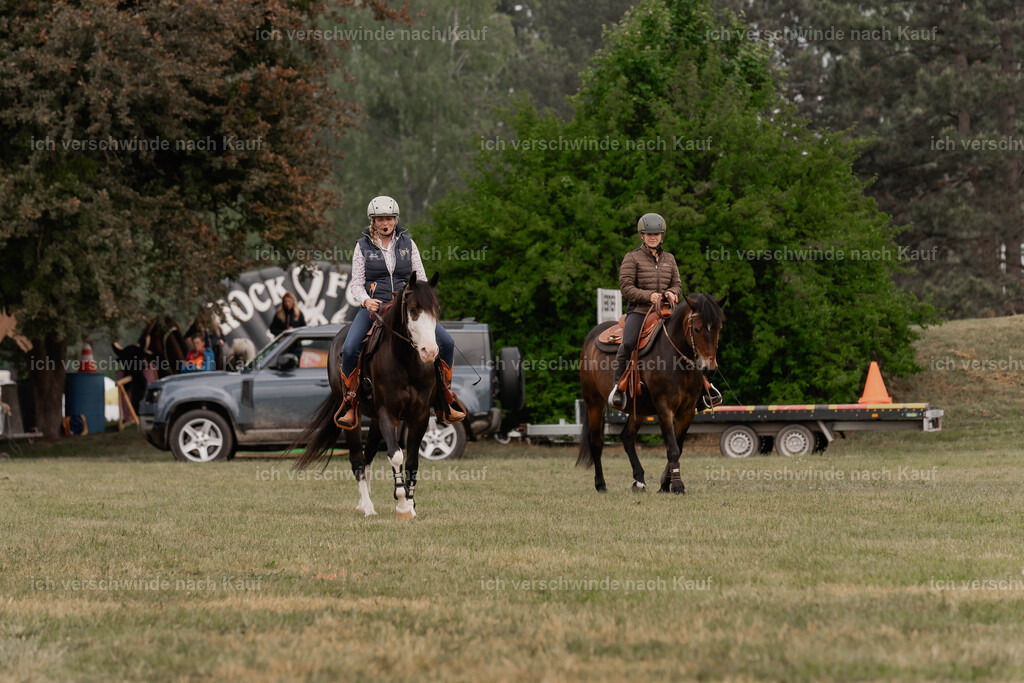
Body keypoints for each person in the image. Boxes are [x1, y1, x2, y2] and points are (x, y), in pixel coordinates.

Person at [335, 195, 465, 429]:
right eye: (380, 219)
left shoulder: (408, 244)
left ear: (396, 220)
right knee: (350, 348)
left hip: (408, 307)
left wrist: (422, 298)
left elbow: (421, 277)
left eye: (389, 218)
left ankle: (445, 398)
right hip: (376, 307)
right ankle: (350, 402)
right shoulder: (362, 246)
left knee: (446, 342)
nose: (385, 223)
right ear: (372, 221)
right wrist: (366, 300)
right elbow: (356, 283)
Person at [608, 213, 721, 410]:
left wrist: (671, 292)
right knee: (628, 342)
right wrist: (649, 296)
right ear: (642, 236)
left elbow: (677, 284)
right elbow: (626, 287)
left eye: (657, 234)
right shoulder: (631, 258)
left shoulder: (669, 258)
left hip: (668, 312)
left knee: (695, 340)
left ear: (662, 235)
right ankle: (618, 387)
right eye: (649, 234)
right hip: (641, 311)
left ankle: (704, 388)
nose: (653, 237)